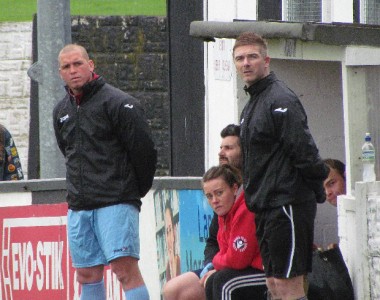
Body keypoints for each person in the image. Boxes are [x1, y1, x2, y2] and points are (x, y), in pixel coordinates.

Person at [53, 44, 157, 300]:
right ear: (60, 73)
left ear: (91, 65)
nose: (73, 70)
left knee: (124, 270)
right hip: (79, 205)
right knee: (86, 274)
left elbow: (145, 154)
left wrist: (129, 193)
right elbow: (68, 153)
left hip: (116, 201)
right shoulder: (61, 111)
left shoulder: (120, 103)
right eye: (66, 67)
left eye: (78, 64)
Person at [233, 32, 329, 300]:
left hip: (286, 204)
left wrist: (317, 188)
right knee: (273, 283)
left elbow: (304, 151)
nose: (246, 63)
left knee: (289, 285)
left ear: (267, 61)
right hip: (265, 207)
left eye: (252, 56)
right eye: (240, 58)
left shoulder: (280, 100)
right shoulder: (253, 103)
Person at [162, 124, 267, 300]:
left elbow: (238, 257)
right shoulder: (223, 206)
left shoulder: (250, 195)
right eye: (209, 196)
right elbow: (215, 242)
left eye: (228, 148)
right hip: (225, 264)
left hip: (256, 268)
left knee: (220, 282)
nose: (221, 153)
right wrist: (211, 264)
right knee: (172, 289)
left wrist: (217, 264)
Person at [202, 164, 266, 300]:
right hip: (249, 269)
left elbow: (237, 260)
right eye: (209, 196)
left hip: (269, 272)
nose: (214, 201)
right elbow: (225, 249)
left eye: (219, 193)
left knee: (224, 282)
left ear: (235, 188)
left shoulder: (245, 209)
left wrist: (215, 261)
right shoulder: (224, 213)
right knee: (212, 280)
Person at [164, 199, 181, 281]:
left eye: (170, 230)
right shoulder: (168, 267)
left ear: (174, 232)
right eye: (166, 231)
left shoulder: (179, 263)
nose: (168, 238)